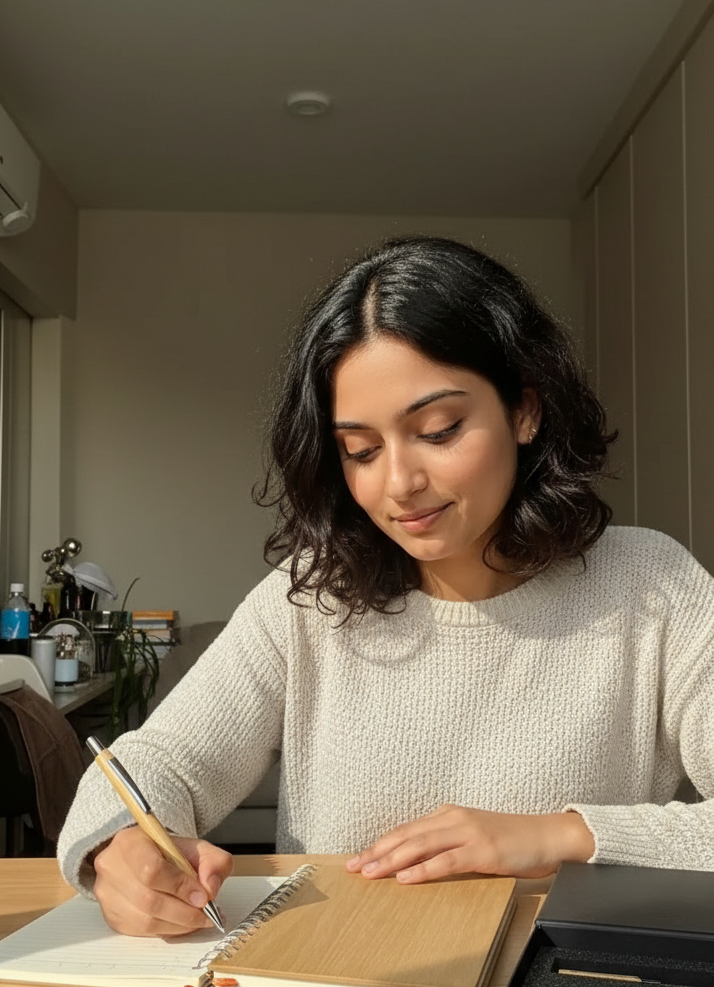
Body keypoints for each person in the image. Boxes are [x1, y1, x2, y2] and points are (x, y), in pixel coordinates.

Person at [58, 236, 714, 936]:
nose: (398, 484)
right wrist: (115, 851)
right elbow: (155, 763)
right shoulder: (310, 598)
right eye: (361, 451)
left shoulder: (651, 586)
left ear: (525, 410)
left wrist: (557, 838)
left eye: (439, 429)